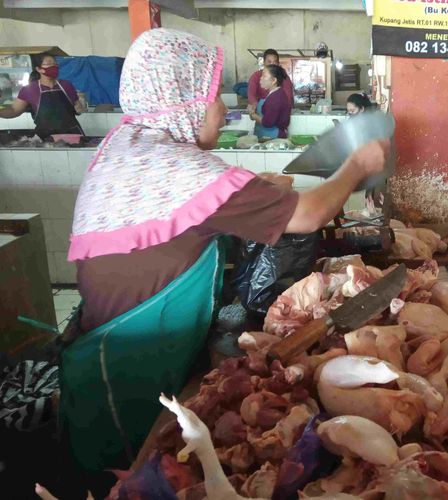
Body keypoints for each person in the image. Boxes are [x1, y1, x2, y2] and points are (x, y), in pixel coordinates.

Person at [59, 28, 387, 493]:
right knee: (136, 481)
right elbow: (311, 215)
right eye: (212, 96)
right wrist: (357, 165)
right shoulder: (180, 168)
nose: (223, 108)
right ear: (182, 101)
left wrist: (256, 186)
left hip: (118, 339)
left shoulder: (133, 146)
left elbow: (190, 206)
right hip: (131, 364)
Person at [0, 52, 85, 138]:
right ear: (38, 69)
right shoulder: (29, 90)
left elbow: (78, 108)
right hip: (46, 138)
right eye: (49, 64)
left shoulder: (66, 85)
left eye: (55, 64)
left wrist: (80, 106)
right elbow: (14, 110)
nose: (54, 66)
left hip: (72, 135)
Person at [249, 64, 292, 139]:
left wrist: (253, 115)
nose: (260, 78)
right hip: (267, 136)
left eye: (264, 76)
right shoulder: (276, 94)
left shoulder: (276, 98)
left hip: (273, 137)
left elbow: (268, 122)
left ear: (274, 80)